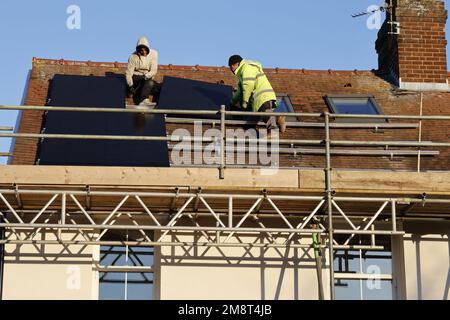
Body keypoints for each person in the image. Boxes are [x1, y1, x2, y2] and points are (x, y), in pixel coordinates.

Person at [228, 55, 286, 133]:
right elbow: (240, 91)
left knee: (265, 113)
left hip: (262, 96)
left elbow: (248, 85)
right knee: (249, 124)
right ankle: (276, 121)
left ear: (236, 64)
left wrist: (245, 102)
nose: (231, 69)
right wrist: (232, 101)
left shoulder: (246, 68)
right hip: (258, 100)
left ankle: (273, 130)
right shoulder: (242, 74)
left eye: (231, 66)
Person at [126, 36, 161, 106]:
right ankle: (143, 100)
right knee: (150, 82)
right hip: (136, 77)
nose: (144, 52)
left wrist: (145, 76)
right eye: (141, 50)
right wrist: (130, 85)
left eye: (145, 50)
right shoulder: (133, 57)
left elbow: (153, 70)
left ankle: (157, 103)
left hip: (147, 77)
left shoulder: (154, 54)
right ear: (138, 50)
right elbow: (128, 73)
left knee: (160, 87)